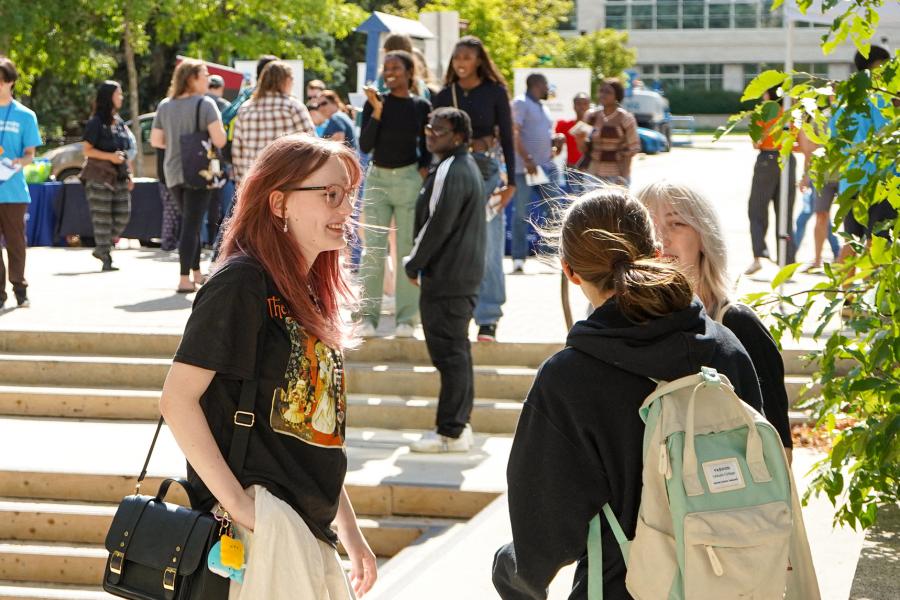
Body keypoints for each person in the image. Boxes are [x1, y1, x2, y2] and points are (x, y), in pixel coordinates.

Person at [492, 187, 764, 599]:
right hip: (728, 581)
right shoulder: (725, 348)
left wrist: (508, 569)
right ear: (655, 250)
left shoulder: (567, 380)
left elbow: (542, 539)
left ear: (570, 271)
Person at [159, 135, 376, 599]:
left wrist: (350, 531)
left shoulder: (310, 294)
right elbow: (177, 400)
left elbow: (309, 432)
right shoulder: (242, 283)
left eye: (350, 194)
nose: (346, 209)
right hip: (263, 527)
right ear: (278, 202)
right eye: (331, 194)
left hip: (309, 528)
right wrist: (242, 508)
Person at [638, 180, 793, 460]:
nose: (661, 239)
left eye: (676, 224)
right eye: (649, 226)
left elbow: (780, 450)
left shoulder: (738, 324)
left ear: (703, 237)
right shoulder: (627, 331)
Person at [404, 107, 485, 453]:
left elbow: (436, 224)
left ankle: (450, 431)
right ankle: (457, 426)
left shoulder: (452, 169)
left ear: (458, 137)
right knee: (456, 353)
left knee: (450, 356)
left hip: (448, 277)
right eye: (429, 126)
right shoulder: (460, 167)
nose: (431, 132)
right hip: (458, 276)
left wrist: (413, 263)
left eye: (440, 128)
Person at [432, 36, 517, 342]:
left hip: (487, 171)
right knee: (453, 245)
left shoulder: (495, 92)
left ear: (479, 60)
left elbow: (507, 136)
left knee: (489, 246)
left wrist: (512, 183)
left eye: (467, 57)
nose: (461, 63)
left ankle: (489, 317)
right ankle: (457, 314)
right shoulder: (443, 95)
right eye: (457, 58)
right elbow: (433, 139)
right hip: (453, 170)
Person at [357, 50, 432, 338]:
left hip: (408, 179)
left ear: (409, 72)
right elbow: (365, 145)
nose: (390, 72)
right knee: (372, 251)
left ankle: (406, 320)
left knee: (405, 251)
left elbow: (427, 146)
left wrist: (424, 170)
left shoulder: (420, 106)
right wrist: (376, 110)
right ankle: (367, 317)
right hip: (378, 178)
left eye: (396, 67)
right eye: (386, 67)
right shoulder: (375, 103)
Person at [150, 58, 227, 293]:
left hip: (173, 171)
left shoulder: (165, 105)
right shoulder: (205, 105)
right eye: (204, 75)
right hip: (199, 171)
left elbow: (156, 141)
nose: (207, 80)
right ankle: (184, 278)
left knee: (189, 222)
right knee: (191, 223)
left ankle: (195, 273)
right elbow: (220, 139)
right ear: (192, 78)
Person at [834, 45, 896, 259]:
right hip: (881, 182)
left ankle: (844, 292)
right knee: (877, 244)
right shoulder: (883, 101)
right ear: (875, 67)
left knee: (851, 241)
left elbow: (834, 141)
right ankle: (870, 292)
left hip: (850, 181)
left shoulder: (843, 101)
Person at [231, 61, 315, 185]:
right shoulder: (293, 106)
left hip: (253, 179)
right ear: (285, 80)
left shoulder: (245, 108)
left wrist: (241, 181)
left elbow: (237, 149)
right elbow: (311, 143)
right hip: (287, 178)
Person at [0, 56, 41, 309]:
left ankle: (20, 289)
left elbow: (30, 155)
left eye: (1, 82)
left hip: (14, 191)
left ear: (11, 82)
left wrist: (15, 164)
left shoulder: (25, 116)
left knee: (16, 244)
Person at [81, 80, 133, 272]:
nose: (121, 97)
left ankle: (102, 247)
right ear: (109, 96)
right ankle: (105, 254)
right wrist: (110, 157)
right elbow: (87, 150)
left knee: (123, 215)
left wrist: (129, 174)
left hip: (119, 176)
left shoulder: (118, 122)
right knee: (102, 218)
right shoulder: (96, 122)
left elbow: (124, 150)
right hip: (99, 176)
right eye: (118, 94)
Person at [510, 72, 560, 275]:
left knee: (553, 211)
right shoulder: (521, 103)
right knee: (521, 214)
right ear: (537, 84)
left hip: (545, 168)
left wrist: (555, 143)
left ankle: (548, 258)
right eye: (546, 84)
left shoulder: (543, 107)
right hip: (525, 169)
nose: (549, 88)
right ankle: (518, 259)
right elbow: (514, 133)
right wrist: (528, 159)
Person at [744, 86, 797, 275]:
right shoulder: (790, 113)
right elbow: (797, 140)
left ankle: (758, 256)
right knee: (785, 211)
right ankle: (787, 260)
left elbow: (755, 142)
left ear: (769, 94)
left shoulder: (764, 112)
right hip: (788, 159)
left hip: (767, 159)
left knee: (757, 209)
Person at [574, 78, 640, 187]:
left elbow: (632, 149)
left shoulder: (626, 118)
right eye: (601, 91)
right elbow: (584, 150)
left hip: (617, 174)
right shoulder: (590, 116)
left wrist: (623, 177)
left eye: (608, 92)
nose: (603, 95)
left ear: (617, 96)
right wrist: (580, 140)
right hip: (592, 173)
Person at [793, 128, 840, 270]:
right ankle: (819, 259)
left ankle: (840, 255)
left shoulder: (846, 113)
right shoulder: (816, 118)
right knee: (821, 217)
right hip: (822, 177)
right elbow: (810, 151)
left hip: (845, 174)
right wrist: (806, 176)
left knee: (848, 220)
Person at [555, 92, 592, 174]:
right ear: (574, 106)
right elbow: (556, 149)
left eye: (585, 103)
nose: (582, 107)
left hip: (591, 170)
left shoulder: (596, 127)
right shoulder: (565, 126)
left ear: (589, 105)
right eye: (578, 104)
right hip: (571, 170)